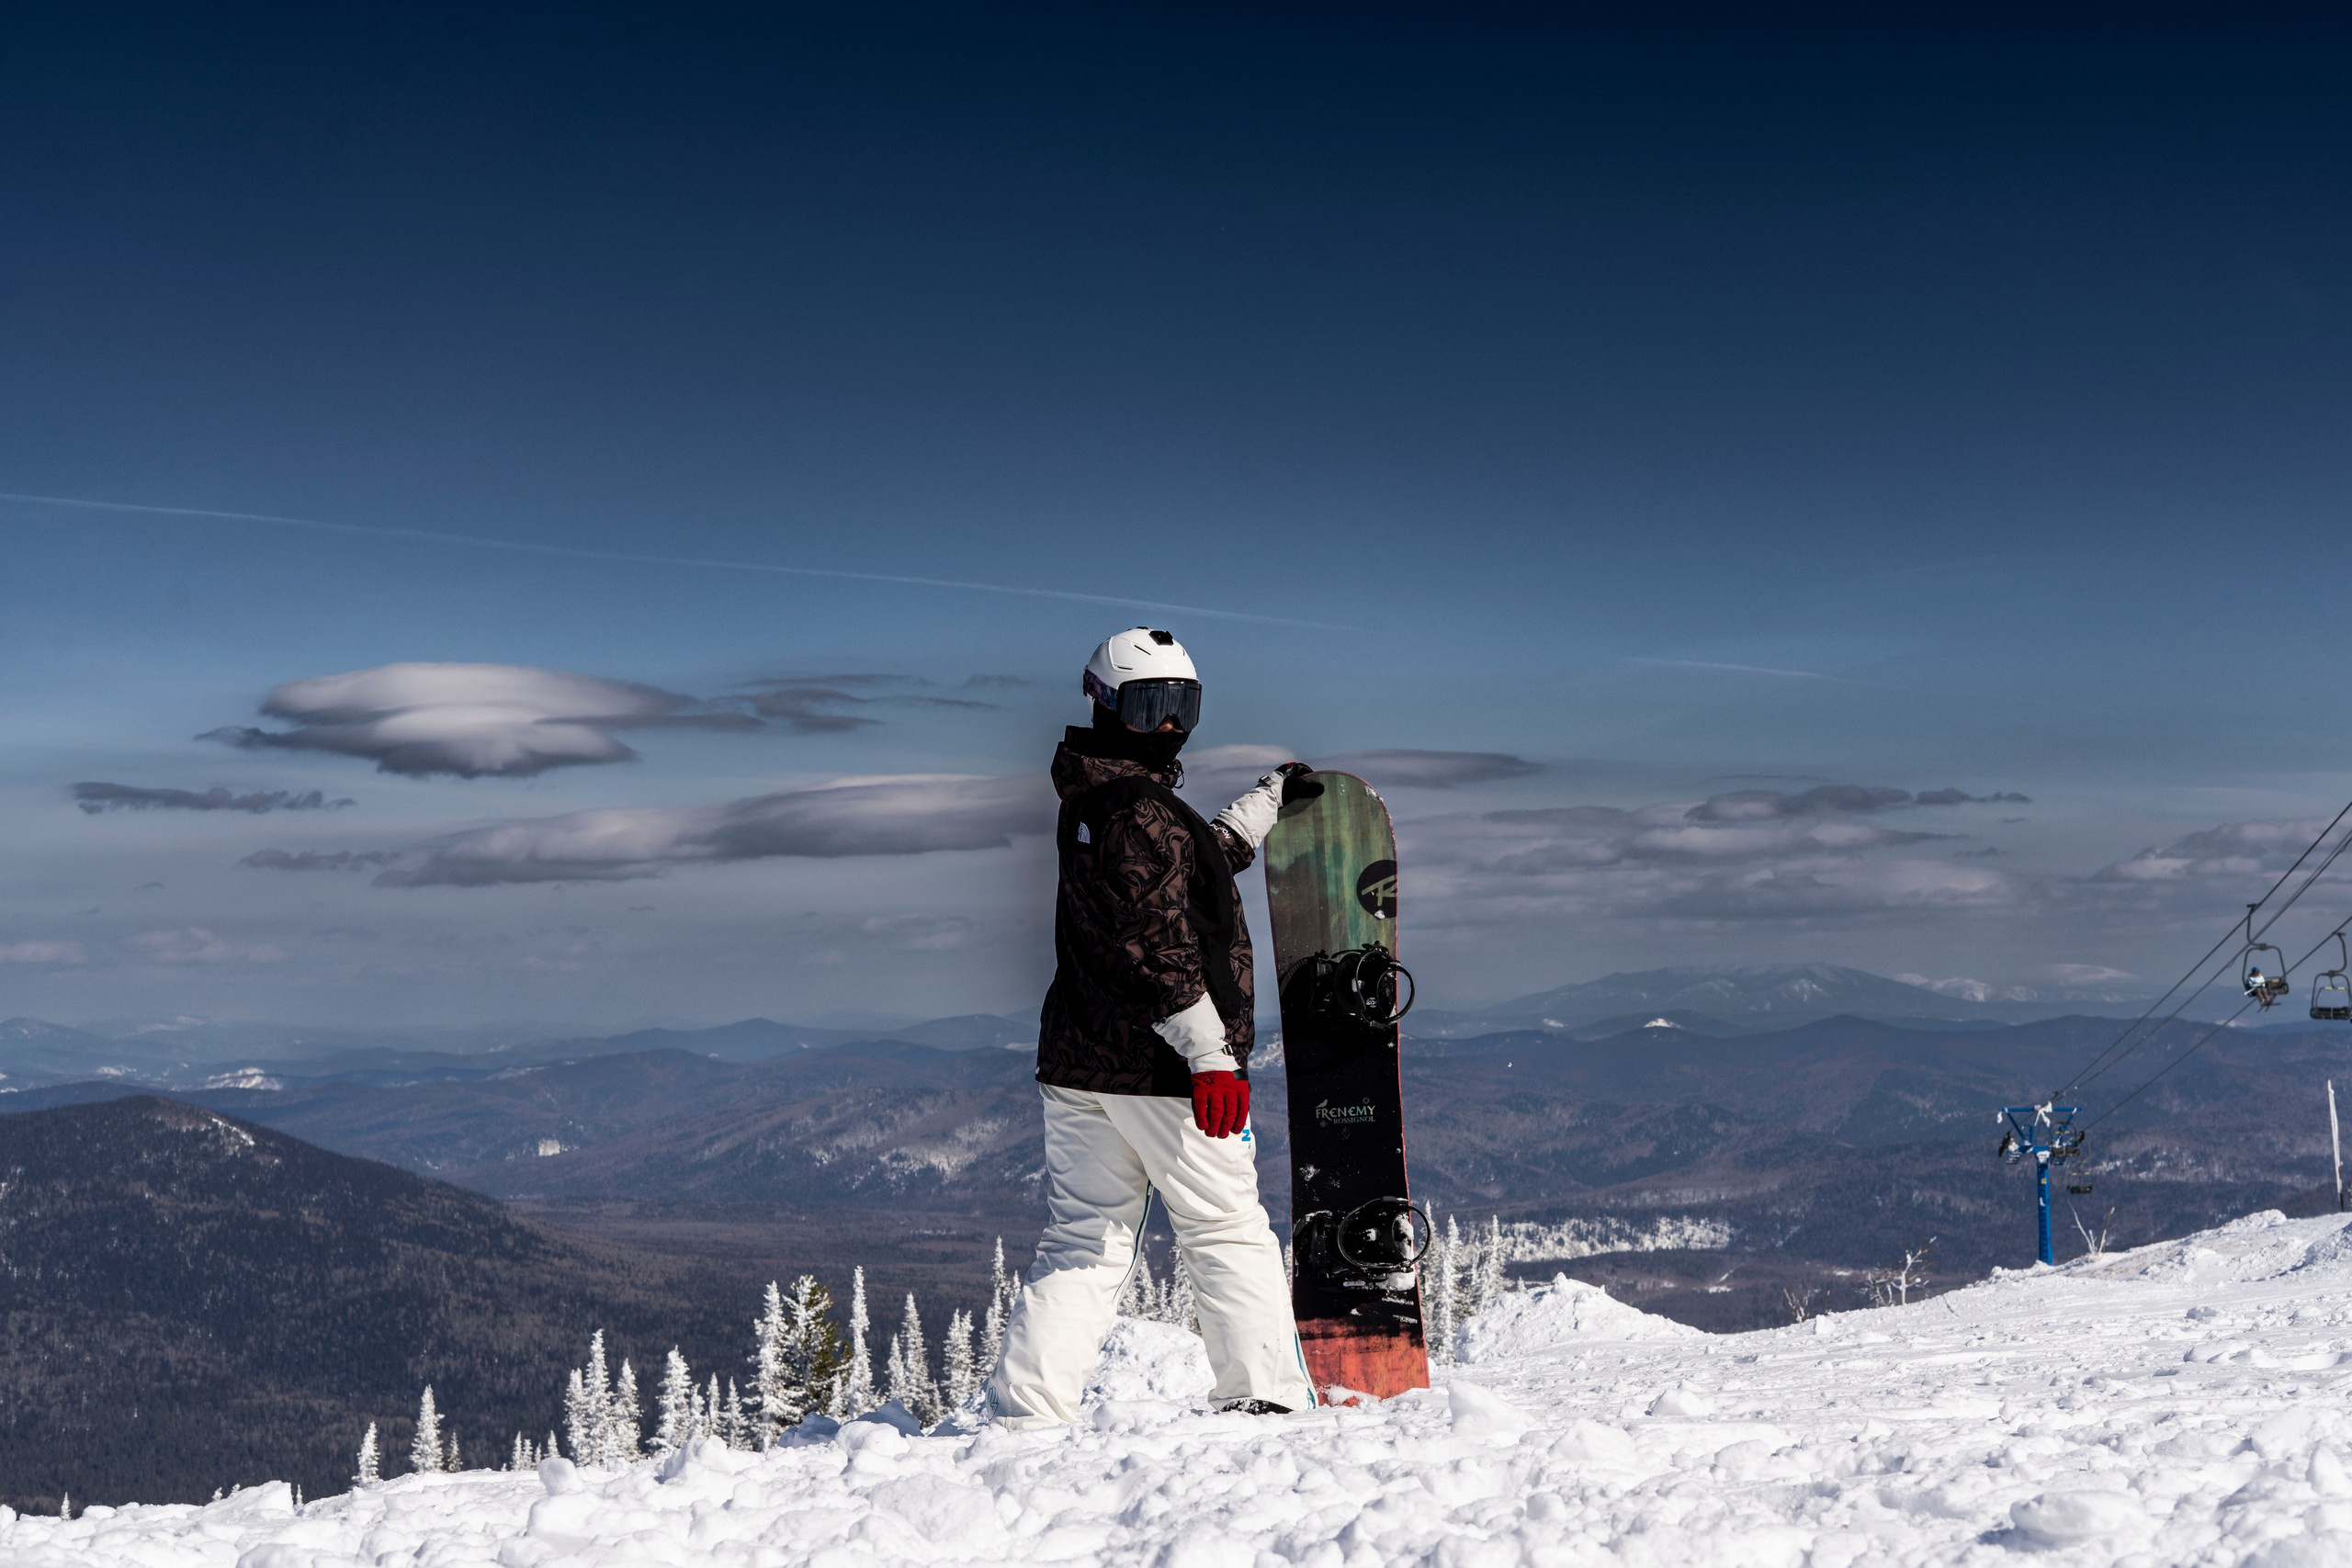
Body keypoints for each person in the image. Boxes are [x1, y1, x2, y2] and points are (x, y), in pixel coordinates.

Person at [985, 627, 1322, 1425]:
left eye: (1182, 704)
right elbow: (1162, 944)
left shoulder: (1096, 799)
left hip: (1078, 1061)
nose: (1169, 725)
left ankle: (1027, 1411)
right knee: (1226, 1225)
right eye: (1149, 706)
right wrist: (1210, 1057)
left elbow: (1188, 862)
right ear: (1105, 705)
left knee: (1086, 1237)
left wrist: (1261, 806)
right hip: (1163, 1069)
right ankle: (1261, 1394)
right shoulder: (1138, 810)